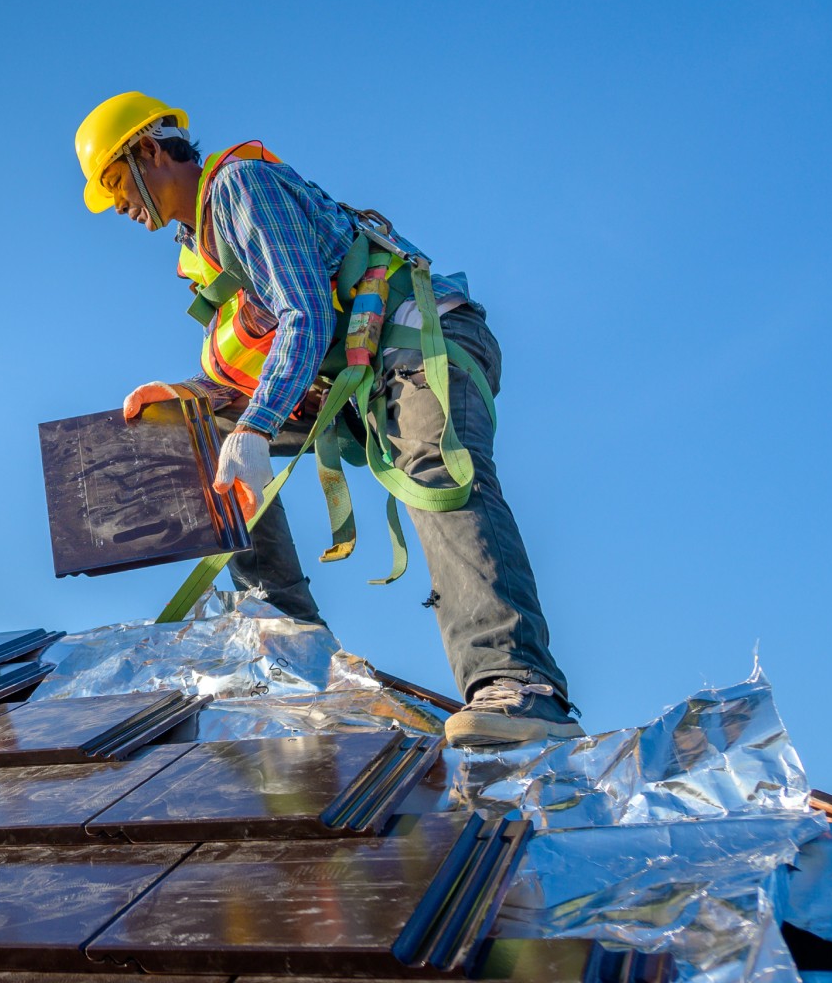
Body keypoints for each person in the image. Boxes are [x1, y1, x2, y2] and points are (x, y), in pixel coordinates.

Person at [73, 92, 580, 748]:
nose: (116, 203)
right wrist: (192, 397)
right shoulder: (206, 254)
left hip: (425, 340)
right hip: (363, 379)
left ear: (148, 150)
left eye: (114, 182)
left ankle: (519, 689)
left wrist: (257, 429)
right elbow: (260, 361)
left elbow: (305, 313)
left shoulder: (238, 187)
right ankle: (287, 645)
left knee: (432, 466)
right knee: (198, 438)